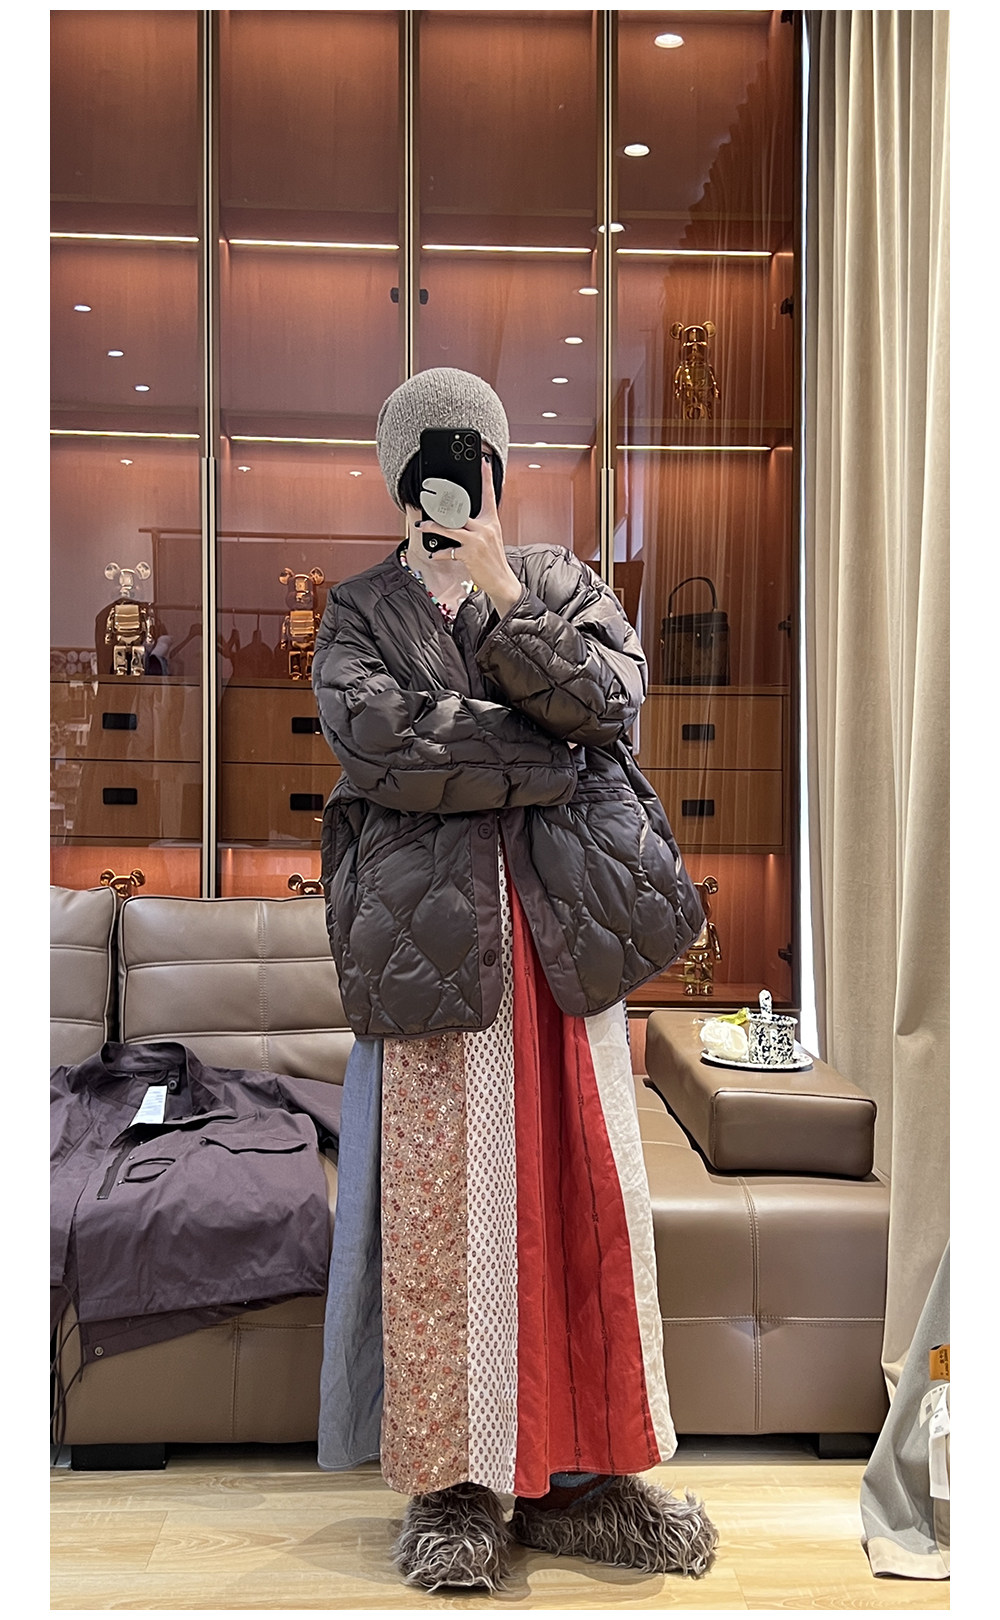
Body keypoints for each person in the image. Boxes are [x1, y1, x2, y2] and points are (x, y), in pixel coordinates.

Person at [311, 367, 718, 1592]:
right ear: (398, 476)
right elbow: (382, 749)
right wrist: (548, 756)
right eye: (431, 459)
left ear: (497, 468)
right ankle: (455, 1487)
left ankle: (586, 1475)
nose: (453, 479)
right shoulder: (356, 612)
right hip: (431, 956)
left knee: (584, 1203)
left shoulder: (554, 580)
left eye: (473, 456)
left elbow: (610, 701)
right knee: (444, 1225)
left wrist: (499, 595)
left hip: (564, 947)